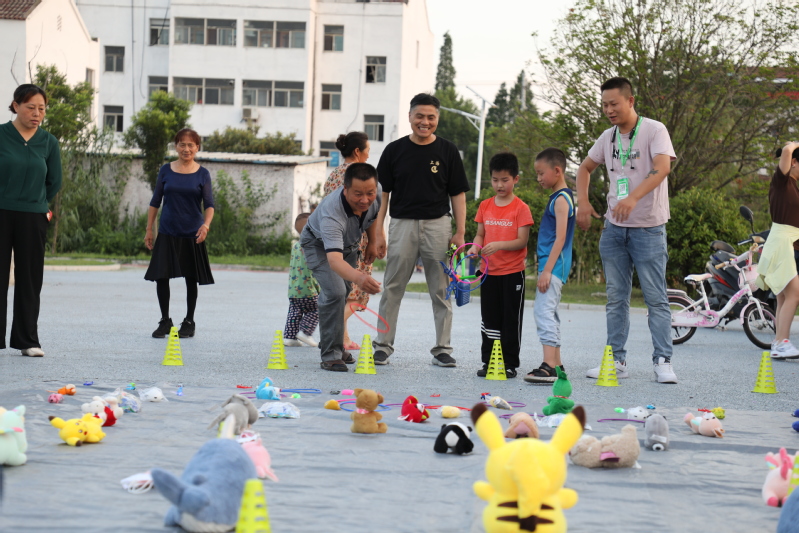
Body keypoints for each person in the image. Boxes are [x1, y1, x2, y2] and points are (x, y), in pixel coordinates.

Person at [576, 76, 678, 384]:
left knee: (655, 298)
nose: (609, 110)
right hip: (614, 230)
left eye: (614, 104)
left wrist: (633, 198)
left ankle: (663, 361)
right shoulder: (607, 137)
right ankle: (616, 361)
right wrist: (583, 203)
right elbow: (584, 168)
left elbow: (662, 167)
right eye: (604, 105)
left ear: (630, 101)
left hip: (648, 229)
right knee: (616, 299)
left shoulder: (654, 130)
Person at [369, 93, 470, 367]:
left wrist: (460, 231)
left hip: (438, 225)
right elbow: (382, 195)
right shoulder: (394, 150)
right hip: (402, 224)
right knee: (392, 287)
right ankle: (382, 346)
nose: (425, 122)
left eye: (431, 117)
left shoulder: (448, 150)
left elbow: (458, 194)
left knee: (441, 289)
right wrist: (378, 231)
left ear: (437, 119)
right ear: (410, 117)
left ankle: (443, 349)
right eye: (420, 116)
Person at [301, 163, 383, 371]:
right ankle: (331, 354)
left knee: (343, 293)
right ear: (345, 189)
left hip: (349, 245)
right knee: (335, 292)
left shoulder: (377, 192)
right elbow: (334, 261)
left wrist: (372, 242)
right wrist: (360, 278)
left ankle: (333, 343)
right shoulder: (332, 213)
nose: (364, 200)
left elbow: (372, 214)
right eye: (358, 194)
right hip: (318, 245)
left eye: (369, 193)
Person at [0, 84, 62, 357]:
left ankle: (27, 340)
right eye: (31, 108)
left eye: (42, 109)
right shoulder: (1, 135)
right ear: (16, 106)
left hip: (33, 215)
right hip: (1, 211)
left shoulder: (49, 142)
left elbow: (54, 181)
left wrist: (37, 203)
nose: (37, 114)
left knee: (29, 278)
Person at [144, 128, 215, 339]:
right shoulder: (166, 170)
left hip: (193, 233)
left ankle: (189, 321)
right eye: (182, 144)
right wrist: (149, 229)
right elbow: (155, 201)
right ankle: (165, 320)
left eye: (190, 145)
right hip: (167, 231)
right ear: (175, 147)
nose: (186, 149)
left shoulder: (203, 174)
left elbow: (209, 205)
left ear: (197, 148)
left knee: (191, 278)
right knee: (161, 276)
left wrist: (206, 225)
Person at [467, 153, 533, 379]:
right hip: (489, 272)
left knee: (510, 319)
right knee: (489, 318)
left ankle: (509, 363)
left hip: (513, 273)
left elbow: (522, 241)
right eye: (495, 180)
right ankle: (489, 361)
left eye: (505, 180)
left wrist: (498, 245)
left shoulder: (521, 208)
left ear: (516, 179)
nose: (499, 185)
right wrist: (474, 247)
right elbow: (480, 234)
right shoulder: (485, 205)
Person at [524, 148, 576, 383]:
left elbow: (560, 238)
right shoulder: (559, 197)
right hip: (552, 266)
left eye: (540, 173)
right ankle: (557, 363)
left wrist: (546, 270)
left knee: (543, 311)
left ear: (557, 171)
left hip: (553, 267)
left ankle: (549, 366)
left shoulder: (562, 200)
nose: (538, 178)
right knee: (550, 312)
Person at [323, 131, 371, 351]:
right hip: (355, 238)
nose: (369, 155)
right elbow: (367, 209)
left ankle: (343, 338)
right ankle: (330, 329)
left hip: (332, 237)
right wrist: (375, 238)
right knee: (357, 292)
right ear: (358, 151)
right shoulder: (359, 175)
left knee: (341, 290)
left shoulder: (333, 174)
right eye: (367, 150)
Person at [757, 142, 799, 359]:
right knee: (793, 293)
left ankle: (778, 342)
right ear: (794, 162)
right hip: (781, 243)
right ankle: (782, 342)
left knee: (783, 296)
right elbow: (787, 149)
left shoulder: (793, 186)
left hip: (784, 244)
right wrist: (795, 145)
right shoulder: (781, 182)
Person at [283, 213, 320, 348]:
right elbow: (314, 269)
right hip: (308, 289)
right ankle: (305, 332)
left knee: (294, 312)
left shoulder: (296, 246)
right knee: (317, 308)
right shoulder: (313, 246)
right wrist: (319, 288)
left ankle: (290, 337)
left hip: (294, 289)